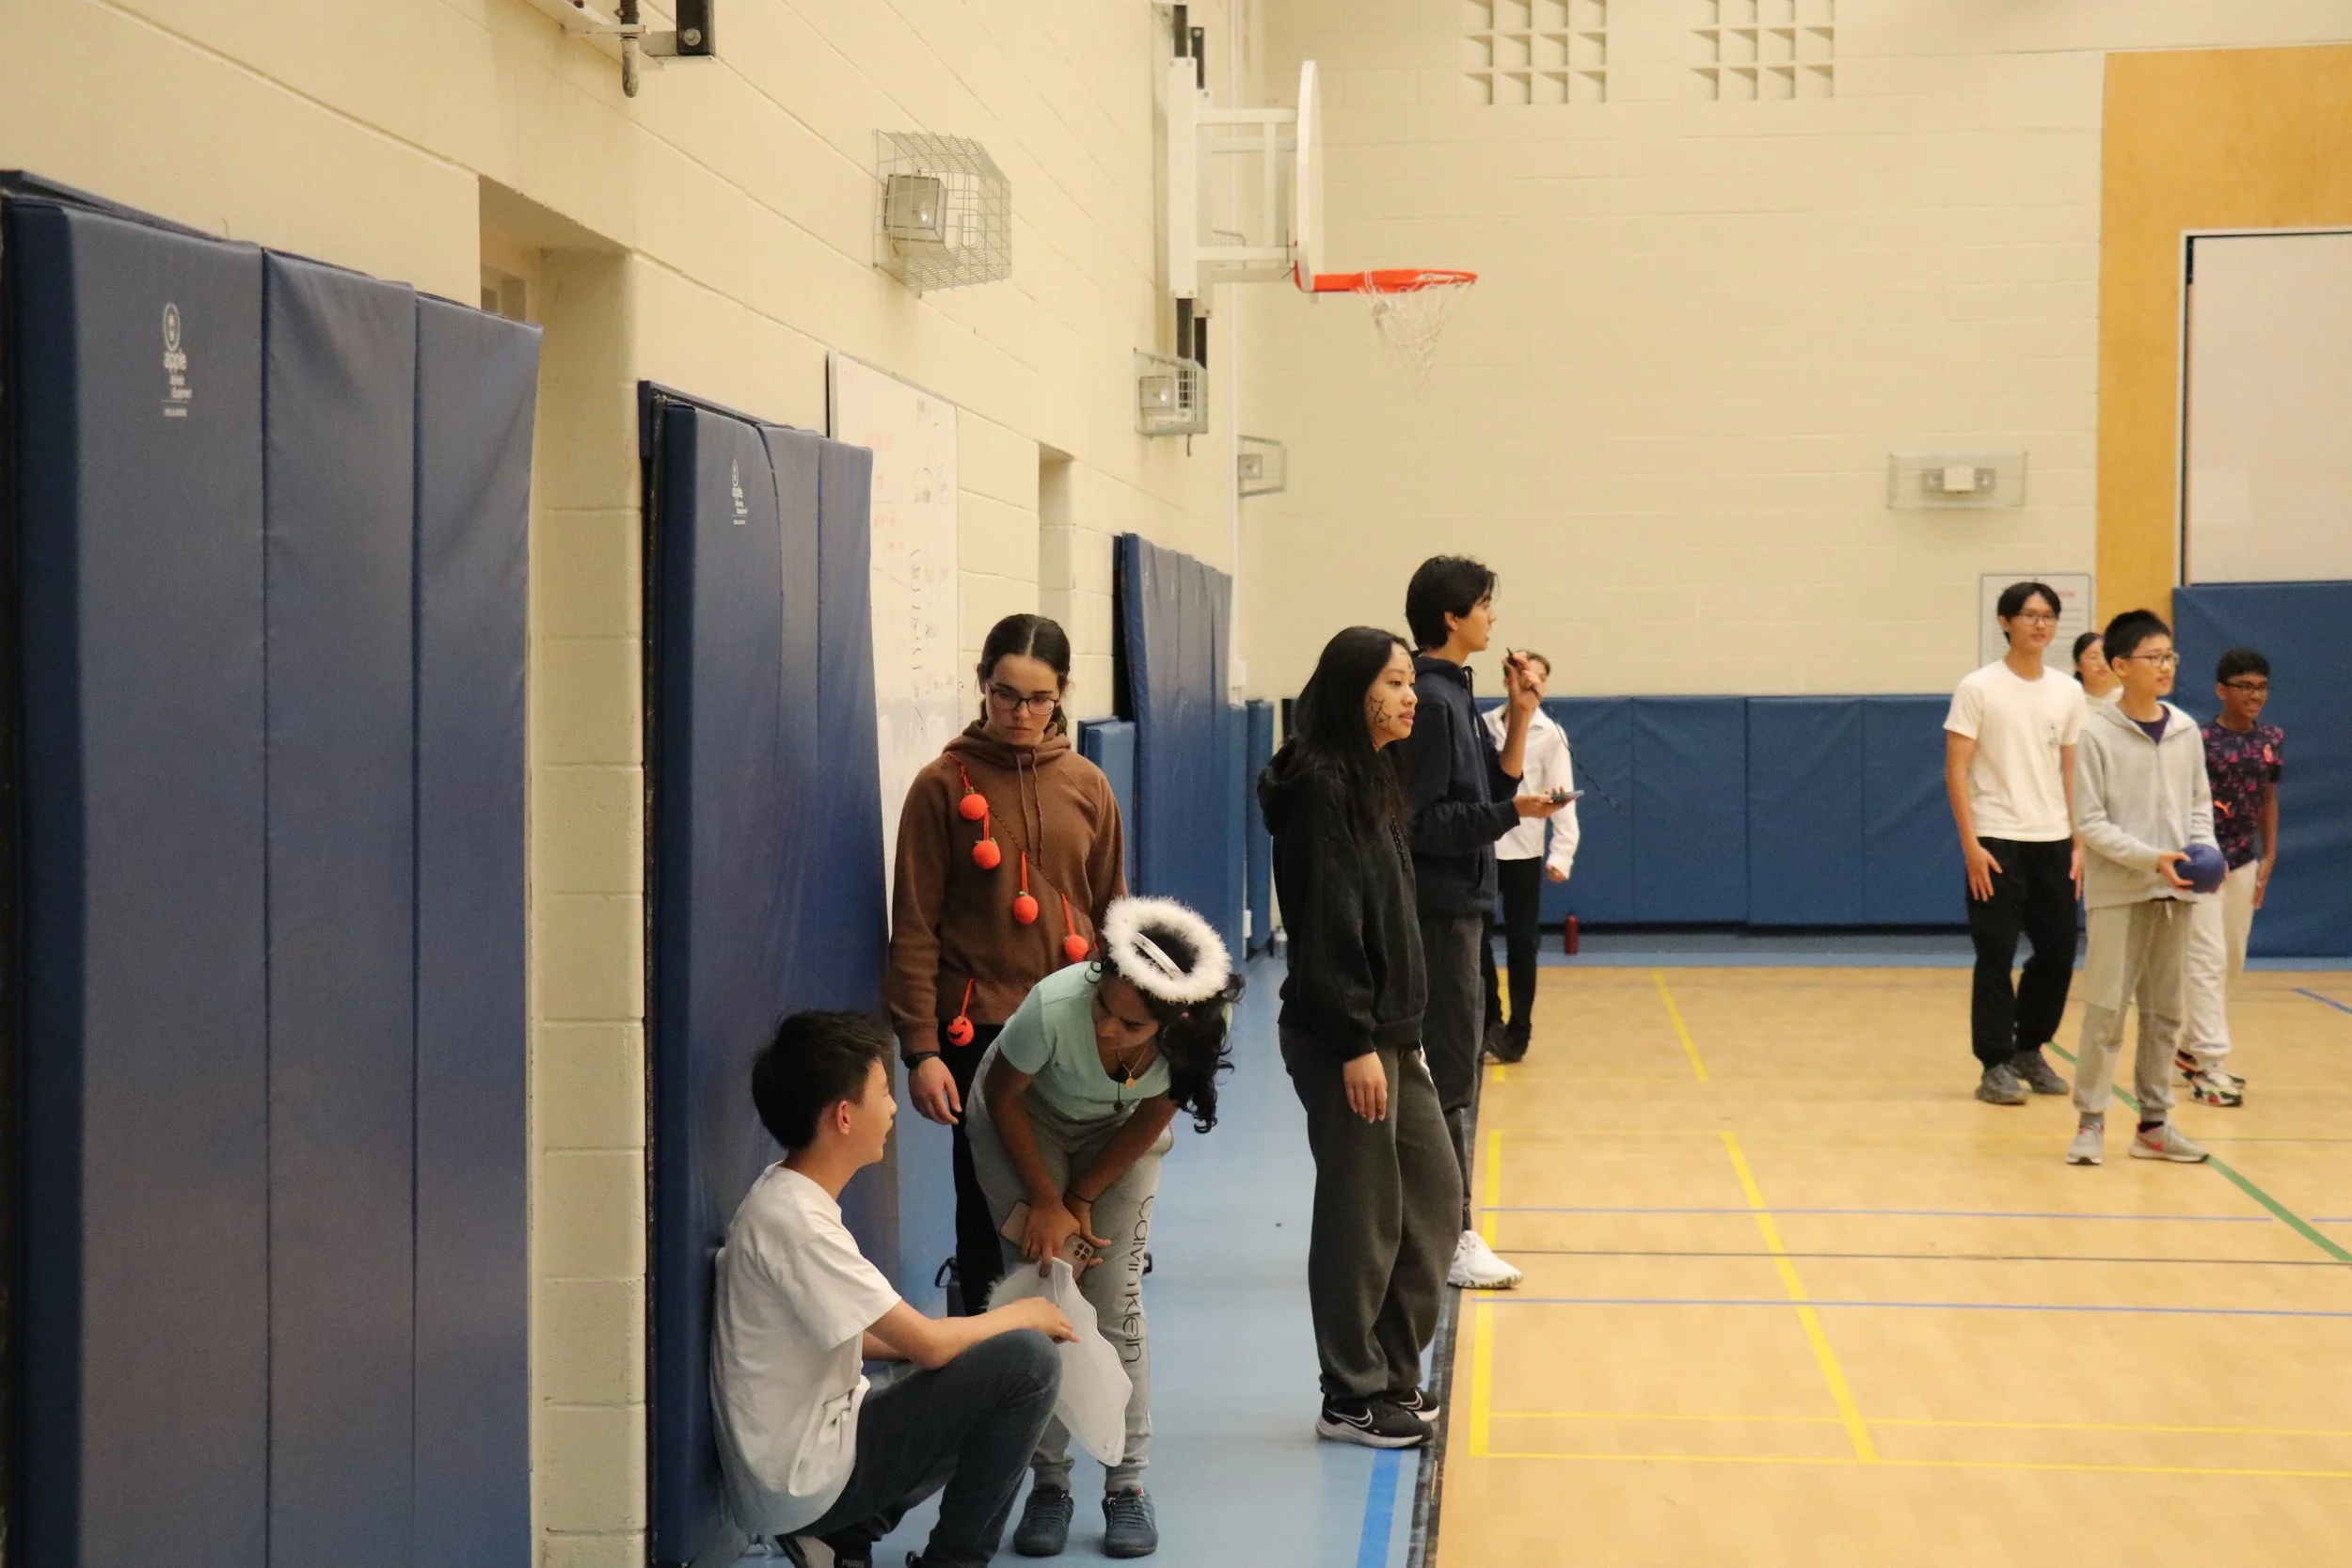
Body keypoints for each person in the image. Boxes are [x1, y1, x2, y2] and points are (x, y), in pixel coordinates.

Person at [711, 1010, 1078, 1568]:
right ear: (843, 1116)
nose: (892, 1109)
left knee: (977, 1363)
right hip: (802, 1480)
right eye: (883, 1093)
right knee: (1028, 1364)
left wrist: (972, 1343)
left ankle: (846, 1534)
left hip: (805, 1460)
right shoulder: (801, 1226)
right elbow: (929, 1346)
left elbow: (862, 1337)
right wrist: (1024, 1315)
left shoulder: (785, 1197)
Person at [967, 897, 1241, 1560]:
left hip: (1120, 1135)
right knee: (1044, 1291)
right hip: (1024, 1122)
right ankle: (1049, 1482)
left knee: (1115, 1301)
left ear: (1175, 1020)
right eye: (1103, 1009)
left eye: (1132, 1024)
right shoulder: (1053, 1006)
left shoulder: (1198, 1028)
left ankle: (1127, 1484)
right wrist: (1047, 1201)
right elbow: (1002, 1096)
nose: (1109, 1029)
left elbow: (1154, 1115)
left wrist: (1083, 1194)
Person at [889, 614, 1127, 1315]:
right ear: (982, 685)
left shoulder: (1088, 784)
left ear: (1062, 694)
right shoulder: (941, 787)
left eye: (1039, 699)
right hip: (980, 1033)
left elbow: (1114, 912)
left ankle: (1066, 1347)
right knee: (988, 1206)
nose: (1021, 713)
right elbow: (915, 926)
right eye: (1005, 695)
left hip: (1078, 1027)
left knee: (1074, 1203)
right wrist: (921, 1049)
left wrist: (1125, 1028)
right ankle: (985, 1353)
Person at [1260, 626, 1462, 1450]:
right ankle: (1349, 1393)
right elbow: (1327, 923)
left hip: (1390, 1035)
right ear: (1354, 691)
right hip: (1343, 1036)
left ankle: (1391, 1373)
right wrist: (1353, 1042)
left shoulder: (1373, 774)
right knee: (1362, 1216)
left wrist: (1403, 1036)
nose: (1411, 696)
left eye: (1411, 680)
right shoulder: (1320, 785)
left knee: (1434, 1199)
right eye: (1395, 682)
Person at [1391, 557, 1563, 1291]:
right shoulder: (1430, 702)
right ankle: (1451, 1234)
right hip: (1438, 912)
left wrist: (1519, 714)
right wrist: (1506, 816)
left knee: (1454, 1069)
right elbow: (1422, 821)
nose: (1494, 617)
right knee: (1450, 1072)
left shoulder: (1455, 695)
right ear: (1452, 617)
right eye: (1485, 604)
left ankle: (1434, 1227)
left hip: (1462, 906)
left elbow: (1494, 781)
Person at [2064, 610, 2217, 1166]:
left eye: (2170, 656)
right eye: (2154, 657)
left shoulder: (2185, 730)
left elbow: (2199, 806)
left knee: (2165, 1013)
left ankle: (2153, 1125)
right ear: (2120, 666)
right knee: (2106, 1011)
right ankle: (2090, 1121)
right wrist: (2153, 860)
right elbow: (2091, 823)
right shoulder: (2096, 733)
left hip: (2176, 893)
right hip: (2118, 893)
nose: (2165, 666)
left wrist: (2205, 853)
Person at [1944, 580, 2086, 1107]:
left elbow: (2071, 769)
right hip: (1996, 840)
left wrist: (2079, 841)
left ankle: (2029, 1048)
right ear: (2005, 622)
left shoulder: (2067, 691)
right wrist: (1970, 843)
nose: (2040, 624)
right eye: (2029, 615)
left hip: (2054, 840)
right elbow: (1956, 768)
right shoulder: (1978, 687)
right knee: (1996, 955)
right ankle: (1995, 1064)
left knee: (2058, 953)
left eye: (2048, 615)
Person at [2178, 646, 2283, 1107]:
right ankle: (2210, 1064)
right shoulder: (2198, 739)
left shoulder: (2271, 739)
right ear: (2222, 690)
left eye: (2261, 687)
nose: (2254, 695)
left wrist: (2269, 854)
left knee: (2232, 959)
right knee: (2206, 958)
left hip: (2244, 859)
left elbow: (2268, 798)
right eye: (2244, 687)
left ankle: (2188, 1048)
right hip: (2203, 862)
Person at [1478, 650, 1579, 1065]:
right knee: (1475, 939)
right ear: (1508, 680)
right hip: (1484, 847)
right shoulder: (1483, 726)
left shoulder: (1551, 735)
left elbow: (1563, 795)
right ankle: (1489, 1022)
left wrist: (1562, 853)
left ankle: (1518, 1033)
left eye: (1540, 679)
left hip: (1524, 852)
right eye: (1525, 677)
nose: (1532, 685)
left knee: (1523, 944)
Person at [2072, 629, 2122, 706]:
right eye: (2093, 657)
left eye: (2106, 656)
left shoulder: (2125, 699)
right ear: (2078, 665)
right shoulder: (2071, 701)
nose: (2102, 663)